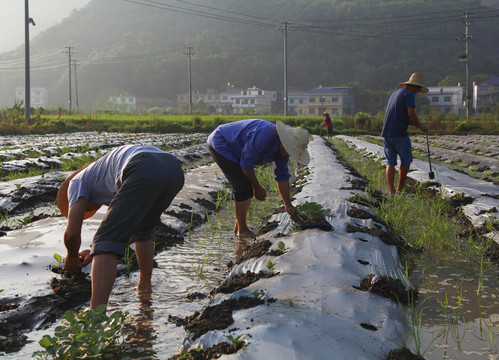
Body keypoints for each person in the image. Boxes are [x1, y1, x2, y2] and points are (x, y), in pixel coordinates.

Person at [57, 144, 184, 310]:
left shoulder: (76, 182)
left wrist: (72, 257)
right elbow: (129, 232)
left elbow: (72, 233)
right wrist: (95, 252)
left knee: (104, 238)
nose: (90, 209)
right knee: (143, 230)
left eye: (87, 208)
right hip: (173, 169)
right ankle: (145, 287)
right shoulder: (104, 176)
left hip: (142, 166)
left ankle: (95, 315)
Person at [207, 119, 310, 239]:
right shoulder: (264, 137)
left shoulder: (283, 152)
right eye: (290, 150)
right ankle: (242, 230)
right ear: (284, 142)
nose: (288, 154)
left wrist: (288, 204)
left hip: (238, 148)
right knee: (242, 186)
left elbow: (282, 176)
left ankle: (239, 226)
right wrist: (257, 187)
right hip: (221, 142)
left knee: (246, 187)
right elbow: (246, 165)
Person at [381, 73, 429, 194]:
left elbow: (402, 117)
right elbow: (410, 113)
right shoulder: (409, 94)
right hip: (399, 133)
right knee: (406, 161)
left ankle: (391, 191)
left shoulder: (395, 94)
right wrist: (420, 126)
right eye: (418, 88)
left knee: (390, 163)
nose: (418, 91)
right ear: (413, 86)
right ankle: (400, 188)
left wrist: (419, 125)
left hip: (386, 133)